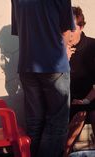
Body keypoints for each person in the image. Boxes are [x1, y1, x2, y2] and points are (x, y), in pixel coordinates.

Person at [11, 1, 75, 157]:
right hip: (54, 65)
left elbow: (20, 29)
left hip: (27, 65)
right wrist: (62, 52)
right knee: (57, 123)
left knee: (34, 121)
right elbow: (66, 31)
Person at [64, 6, 95, 157]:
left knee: (90, 110)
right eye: (65, 29)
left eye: (72, 28)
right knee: (66, 140)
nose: (69, 34)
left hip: (89, 98)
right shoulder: (58, 49)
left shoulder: (92, 46)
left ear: (81, 27)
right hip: (66, 102)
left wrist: (85, 101)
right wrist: (63, 59)